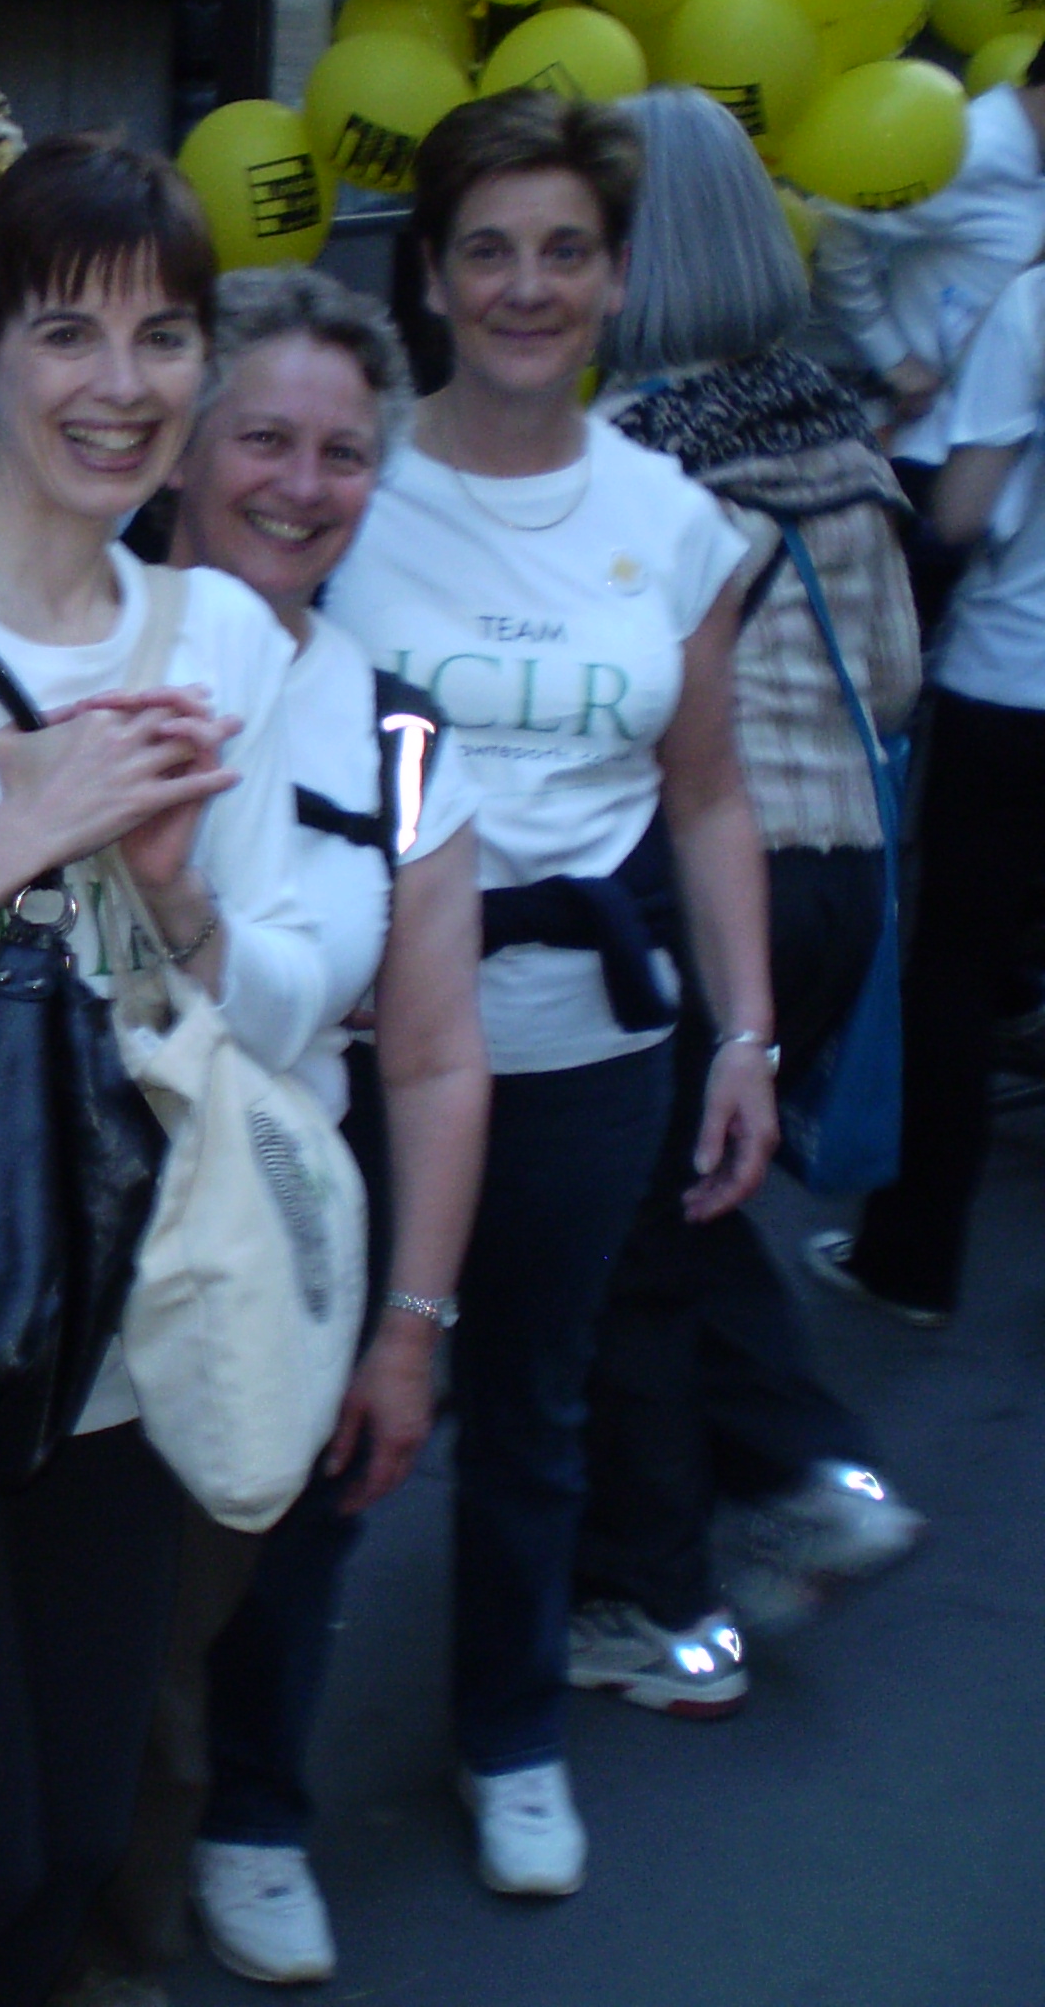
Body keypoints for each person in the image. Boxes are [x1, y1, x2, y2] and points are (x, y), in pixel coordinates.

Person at [0, 134, 331, 2007]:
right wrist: (20, 837)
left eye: (163, 336)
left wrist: (176, 891)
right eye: (67, 332)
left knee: (79, 1839)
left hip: (126, 1313)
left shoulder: (229, 638)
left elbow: (289, 1007)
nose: (120, 386)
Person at [317, 89, 776, 1899]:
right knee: (319, 1405)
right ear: (429, 275)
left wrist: (745, 1035)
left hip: (591, 1044)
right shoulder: (345, 486)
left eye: (563, 251)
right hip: (365, 1041)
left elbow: (708, 794)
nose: (526, 287)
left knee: (537, 1411)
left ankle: (511, 1737)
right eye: (488, 250)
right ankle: (254, 1791)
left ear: (615, 277)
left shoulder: (672, 518)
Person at [86, 266, 487, 1995]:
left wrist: (408, 1328)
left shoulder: (397, 733)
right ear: (182, 444)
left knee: (160, 1673)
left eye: (343, 452)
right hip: (28, 1239)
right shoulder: (62, 641)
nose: (301, 485)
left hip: (253, 1257)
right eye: (264, 437)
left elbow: (437, 1057)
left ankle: (125, 1943)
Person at [571, 89, 925, 1695]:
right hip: (842, 876)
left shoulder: (639, 455)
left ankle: (676, 1575)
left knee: (643, 1244)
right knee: (691, 1212)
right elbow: (897, 677)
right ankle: (781, 1487)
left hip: (715, 877)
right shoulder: (834, 434)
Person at [810, 156, 1045, 1331]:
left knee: (954, 964)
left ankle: (911, 1259)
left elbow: (961, 512)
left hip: (1018, 677)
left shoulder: (1033, 305)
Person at [811, 40, 1045, 624]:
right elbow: (837, 222)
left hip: (984, 475)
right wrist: (891, 356)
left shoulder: (1026, 161)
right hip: (917, 467)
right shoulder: (972, 146)